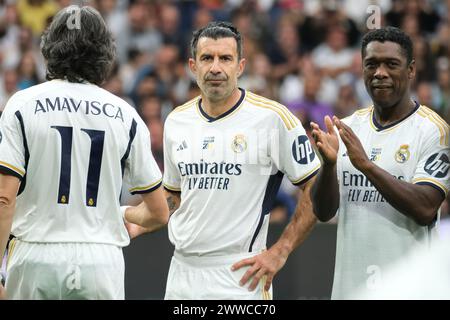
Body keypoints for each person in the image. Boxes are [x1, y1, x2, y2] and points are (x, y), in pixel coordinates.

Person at [0, 6, 169, 300]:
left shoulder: (22, 104)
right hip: (100, 260)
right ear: (105, 53)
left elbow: (4, 197)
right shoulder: (125, 114)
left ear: (50, 48)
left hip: (35, 254)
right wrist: (123, 213)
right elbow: (158, 213)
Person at [162, 21, 321, 299]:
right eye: (206, 58)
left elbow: (315, 187)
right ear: (192, 66)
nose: (215, 67)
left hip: (240, 274)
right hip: (181, 273)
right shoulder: (176, 120)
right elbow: (172, 198)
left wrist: (280, 250)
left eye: (225, 58)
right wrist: (135, 220)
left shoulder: (273, 118)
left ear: (240, 66)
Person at [310, 27, 450, 299]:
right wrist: (328, 167)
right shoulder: (348, 127)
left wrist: (366, 166)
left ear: (410, 70)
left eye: (391, 64)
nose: (380, 73)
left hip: (411, 290)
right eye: (371, 64)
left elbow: (425, 208)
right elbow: (324, 211)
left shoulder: (434, 131)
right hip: (350, 288)